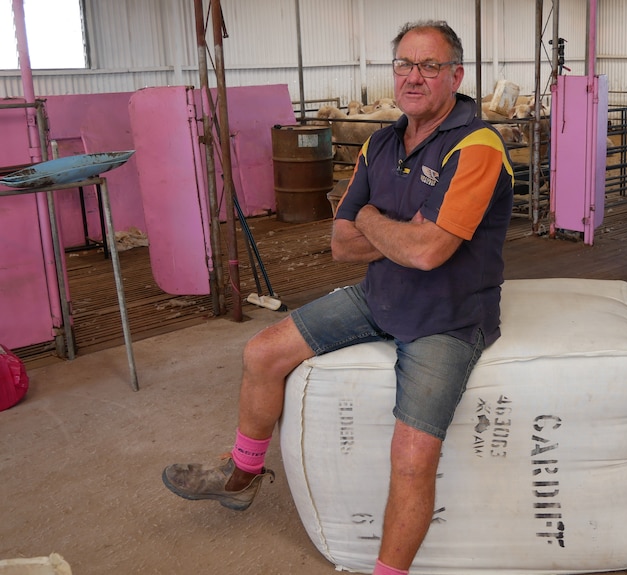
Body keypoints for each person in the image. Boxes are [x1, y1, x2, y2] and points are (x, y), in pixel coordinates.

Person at [163, 19, 514, 575]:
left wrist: (377, 224)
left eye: (430, 66)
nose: (414, 77)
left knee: (411, 459)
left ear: (456, 75)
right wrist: (391, 226)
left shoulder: (478, 146)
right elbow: (341, 243)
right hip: (379, 296)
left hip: (447, 318)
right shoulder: (380, 141)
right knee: (261, 352)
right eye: (404, 64)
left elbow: (428, 254)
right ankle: (241, 476)